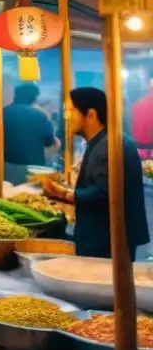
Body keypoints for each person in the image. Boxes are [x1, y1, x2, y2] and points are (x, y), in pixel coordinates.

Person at [42, 87, 150, 259]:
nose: (66, 118)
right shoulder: (101, 141)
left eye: (70, 111)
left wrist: (64, 194)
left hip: (109, 238)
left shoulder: (111, 145)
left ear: (91, 114)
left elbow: (103, 193)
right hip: (102, 234)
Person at [4, 83, 58, 185]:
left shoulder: (1, 113)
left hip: (4, 168)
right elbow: (49, 141)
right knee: (29, 199)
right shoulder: (39, 116)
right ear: (33, 98)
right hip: (32, 170)